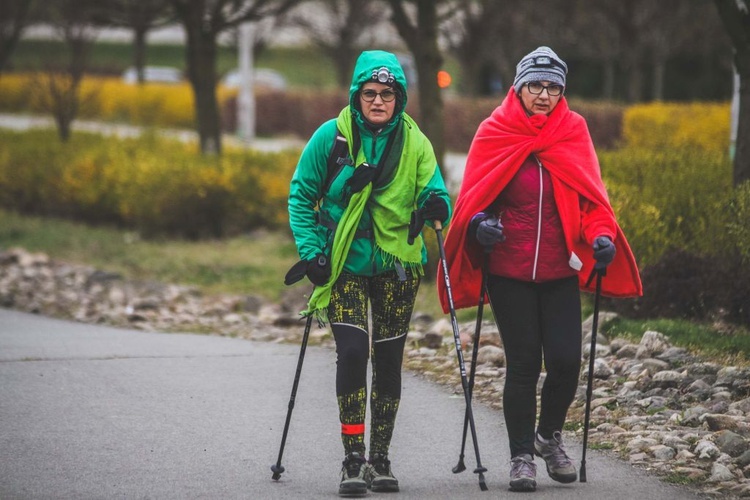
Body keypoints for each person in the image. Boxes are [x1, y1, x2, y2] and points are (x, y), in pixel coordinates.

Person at [438, 46, 642, 492]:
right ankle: (520, 458)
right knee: (525, 363)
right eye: (536, 85)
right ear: (519, 86)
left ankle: (548, 437)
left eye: (553, 87)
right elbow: (474, 198)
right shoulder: (495, 130)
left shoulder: (573, 131)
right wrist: (480, 225)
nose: (544, 95)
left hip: (558, 270)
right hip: (508, 271)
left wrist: (602, 236)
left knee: (567, 361)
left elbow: (592, 201)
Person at [287, 49, 451, 497]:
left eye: (388, 94)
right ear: (356, 95)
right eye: (370, 93)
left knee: (390, 362)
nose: (379, 101)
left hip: (398, 266)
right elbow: (301, 197)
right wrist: (314, 253)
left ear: (400, 98)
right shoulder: (332, 138)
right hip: (343, 265)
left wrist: (438, 206)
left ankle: (381, 459)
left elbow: (436, 194)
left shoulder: (416, 143)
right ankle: (353, 459)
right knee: (355, 352)